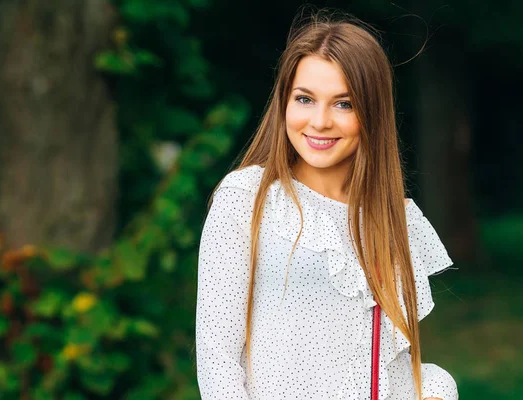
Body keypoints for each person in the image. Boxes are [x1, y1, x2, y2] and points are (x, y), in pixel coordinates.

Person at [195, 8, 459, 400]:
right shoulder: (246, 199)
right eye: (305, 99)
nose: (319, 121)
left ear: (371, 113)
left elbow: (389, 364)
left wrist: (436, 390)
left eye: (344, 104)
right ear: (284, 101)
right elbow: (217, 361)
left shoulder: (393, 216)